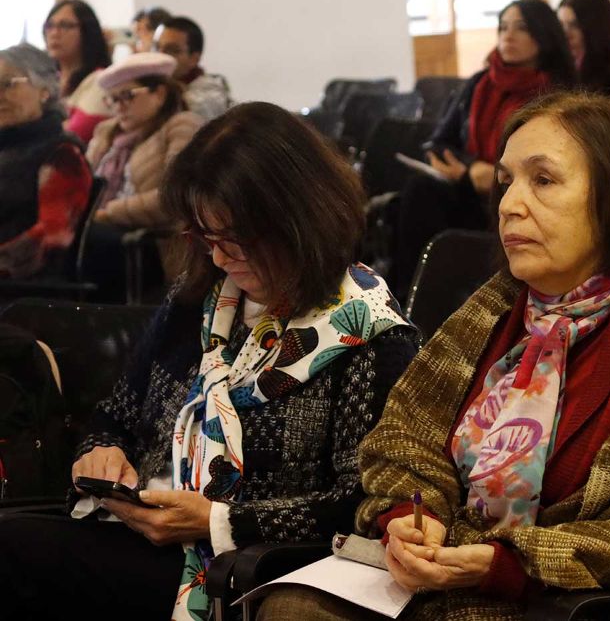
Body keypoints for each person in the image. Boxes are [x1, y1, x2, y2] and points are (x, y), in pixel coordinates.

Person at [257, 91, 610, 620]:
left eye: (542, 180)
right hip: (445, 579)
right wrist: (412, 515)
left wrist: (508, 563)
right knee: (291, 607)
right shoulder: (498, 304)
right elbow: (406, 437)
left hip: (566, 604)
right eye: (507, 181)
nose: (510, 204)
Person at [0, 102, 420, 620]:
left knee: (13, 554)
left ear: (298, 222)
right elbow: (118, 412)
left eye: (234, 240)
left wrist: (220, 520)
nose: (219, 258)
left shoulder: (369, 335)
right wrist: (102, 451)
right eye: (205, 237)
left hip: (237, 566)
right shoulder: (202, 296)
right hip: (143, 532)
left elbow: (362, 502)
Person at [389, 0, 575, 298]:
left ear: (544, 35)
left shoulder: (558, 92)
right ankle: (406, 298)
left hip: (521, 197)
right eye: (503, 27)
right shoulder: (480, 84)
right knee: (416, 194)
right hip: (468, 190)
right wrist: (471, 167)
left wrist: (495, 174)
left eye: (521, 28)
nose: (508, 35)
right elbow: (438, 142)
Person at [83, 52, 203, 301]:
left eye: (127, 96)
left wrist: (109, 212)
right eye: (112, 100)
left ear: (159, 93)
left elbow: (175, 196)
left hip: (156, 245)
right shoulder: (107, 134)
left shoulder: (180, 125)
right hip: (110, 236)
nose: (119, 107)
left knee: (89, 240)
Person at [0, 43, 92, 279]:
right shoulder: (7, 148)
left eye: (8, 84)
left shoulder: (61, 152)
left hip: (23, 293)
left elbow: (51, 236)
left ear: (45, 91)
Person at [43, 0, 112, 143]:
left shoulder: (100, 80)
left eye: (65, 26)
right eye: (50, 26)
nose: (54, 33)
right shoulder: (47, 80)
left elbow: (76, 133)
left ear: (87, 32)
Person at [154, 16, 234, 119]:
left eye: (172, 50)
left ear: (194, 59)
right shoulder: (150, 86)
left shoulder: (208, 96)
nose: (159, 55)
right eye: (156, 47)